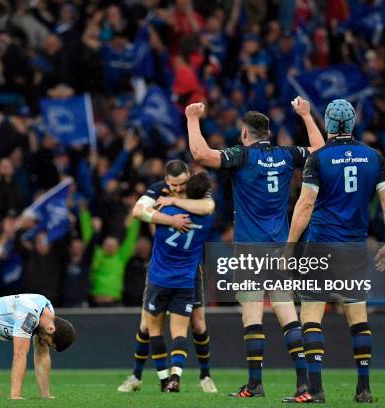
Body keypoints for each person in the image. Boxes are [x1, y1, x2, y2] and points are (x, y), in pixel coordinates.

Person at [185, 97, 324, 399]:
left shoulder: (242, 156)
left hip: (250, 249)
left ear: (246, 134)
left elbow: (200, 153)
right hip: (280, 247)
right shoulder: (287, 155)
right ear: (269, 134)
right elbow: (321, 151)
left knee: (252, 314)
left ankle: (255, 384)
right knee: (287, 312)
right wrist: (306, 115)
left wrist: (192, 118)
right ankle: (303, 383)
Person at [285, 99, 385, 403]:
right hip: (354, 249)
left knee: (311, 316)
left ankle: (316, 390)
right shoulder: (374, 157)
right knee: (357, 317)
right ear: (352, 124)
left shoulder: (319, 159)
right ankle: (363, 389)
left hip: (321, 247)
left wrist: (288, 246)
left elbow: (306, 205)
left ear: (328, 125)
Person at [118, 160, 218, 394]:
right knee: (147, 324)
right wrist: (171, 220)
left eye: (182, 183)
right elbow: (137, 211)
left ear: (189, 177)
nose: (177, 188)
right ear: (167, 181)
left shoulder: (196, 189)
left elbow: (208, 207)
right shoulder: (157, 189)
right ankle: (136, 376)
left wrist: (173, 203)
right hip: (166, 266)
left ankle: (205, 376)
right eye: (173, 185)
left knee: (199, 324)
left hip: (190, 269)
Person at [144, 172, 214, 392]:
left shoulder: (165, 210)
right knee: (180, 333)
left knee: (154, 330)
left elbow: (148, 221)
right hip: (185, 280)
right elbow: (207, 207)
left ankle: (164, 379)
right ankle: (176, 375)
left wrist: (167, 205)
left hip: (159, 278)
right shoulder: (207, 218)